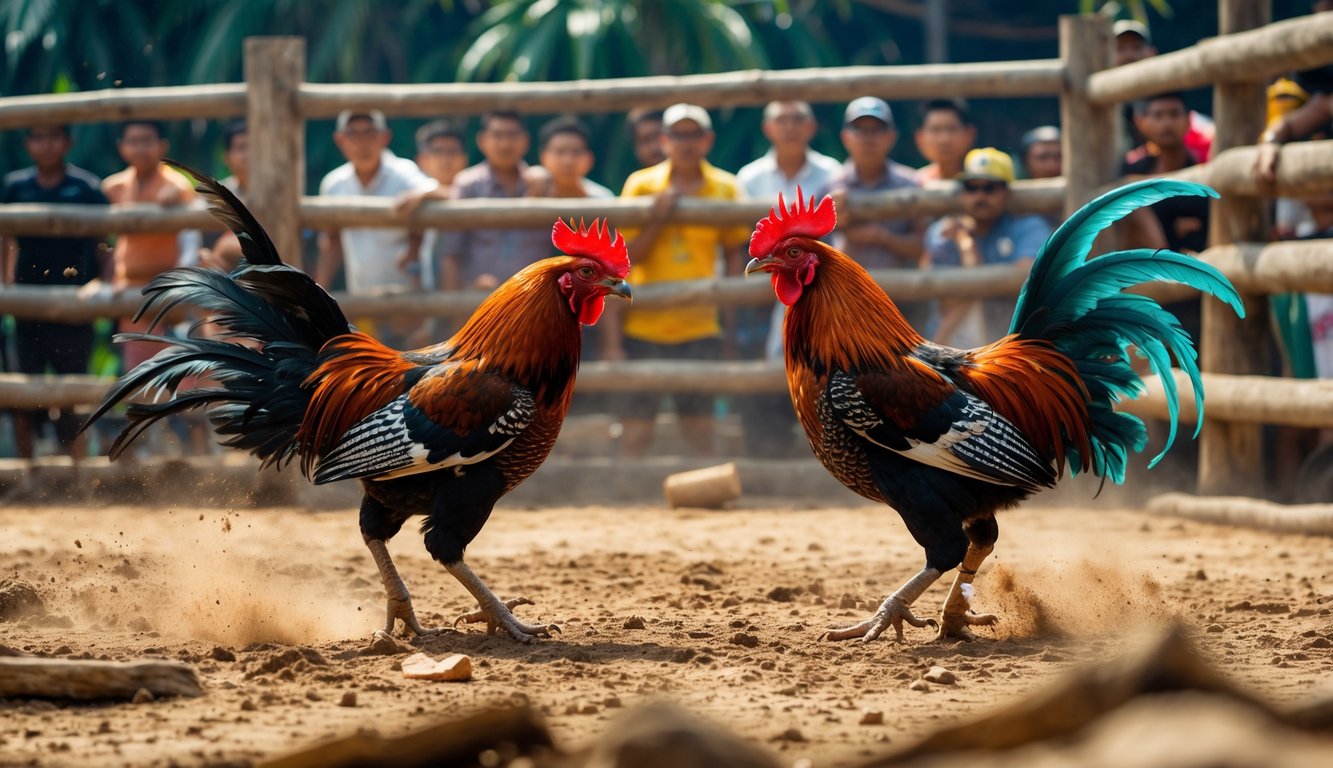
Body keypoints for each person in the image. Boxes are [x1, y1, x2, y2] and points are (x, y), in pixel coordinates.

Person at [604, 103, 749, 458]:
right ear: (664, 140)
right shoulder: (640, 184)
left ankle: (705, 508)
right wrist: (658, 219)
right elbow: (622, 260)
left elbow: (735, 261)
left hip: (701, 327)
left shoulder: (726, 187)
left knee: (700, 431)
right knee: (635, 433)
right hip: (642, 325)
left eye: (693, 134)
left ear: (708, 140)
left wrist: (729, 334)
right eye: (678, 135)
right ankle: (624, 502)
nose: (686, 142)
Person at [734, 100, 840, 457]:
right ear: (768, 129)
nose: (790, 127)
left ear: (811, 128)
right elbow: (739, 240)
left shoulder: (831, 172)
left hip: (814, 285)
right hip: (766, 288)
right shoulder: (748, 177)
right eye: (782, 120)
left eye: (798, 120)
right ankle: (769, 453)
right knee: (763, 376)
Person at [0, 125, 107, 463]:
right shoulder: (16, 185)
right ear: (28, 143)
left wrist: (105, 281)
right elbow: (5, 236)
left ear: (68, 142)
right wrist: (5, 284)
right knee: (24, 390)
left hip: (76, 302)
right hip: (26, 302)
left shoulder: (87, 186)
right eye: (38, 136)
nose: (46, 144)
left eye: (53, 136)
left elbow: (104, 240)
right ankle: (27, 472)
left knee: (72, 389)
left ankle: (80, 474)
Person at [317, 110, 437, 346]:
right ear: (341, 140)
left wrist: (420, 194)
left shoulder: (404, 173)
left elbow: (440, 190)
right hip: (362, 300)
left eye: (369, 134)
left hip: (408, 301)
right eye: (354, 134)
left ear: (384, 137)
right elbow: (331, 243)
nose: (362, 143)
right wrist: (318, 293)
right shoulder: (334, 184)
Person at [925, 148, 1052, 348]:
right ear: (961, 193)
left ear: (1007, 193)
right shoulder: (941, 232)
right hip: (954, 342)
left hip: (1010, 342)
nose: (980, 196)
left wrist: (965, 242)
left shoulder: (1029, 227)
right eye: (971, 187)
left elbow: (1026, 281)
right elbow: (945, 302)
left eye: (990, 188)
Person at [820, 96, 928, 328]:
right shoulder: (829, 187)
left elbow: (923, 247)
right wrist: (837, 224)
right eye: (860, 129)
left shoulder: (910, 184)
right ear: (845, 137)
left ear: (891, 137)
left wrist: (882, 237)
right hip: (842, 304)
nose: (868, 138)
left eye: (877, 130)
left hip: (899, 304)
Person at [102, 120, 197, 373]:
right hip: (127, 289)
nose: (140, 148)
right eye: (133, 141)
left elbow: (189, 240)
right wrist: (107, 279)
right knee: (138, 369)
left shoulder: (177, 187)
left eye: (147, 141)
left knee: (167, 369)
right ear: (122, 147)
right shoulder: (114, 187)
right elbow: (111, 241)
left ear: (162, 146)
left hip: (164, 289)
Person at [435, 111, 550, 293]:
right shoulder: (467, 184)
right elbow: (451, 253)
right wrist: (455, 310)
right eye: (497, 135)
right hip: (480, 300)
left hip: (535, 301)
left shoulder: (546, 184)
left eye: (512, 135)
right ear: (482, 141)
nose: (505, 144)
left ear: (525, 141)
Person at [1113, 20, 1214, 161]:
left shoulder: (1169, 97)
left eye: (1137, 47)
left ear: (1152, 53)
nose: (1129, 55)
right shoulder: (1102, 108)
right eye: (1120, 48)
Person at [524, 115, 615, 199]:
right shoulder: (525, 189)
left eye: (576, 152)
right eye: (560, 151)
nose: (568, 161)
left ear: (589, 159)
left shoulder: (603, 199)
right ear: (543, 156)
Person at [395, 118, 469, 217]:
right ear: (422, 160)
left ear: (464, 159)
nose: (445, 159)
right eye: (437, 152)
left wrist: (427, 194)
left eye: (453, 151)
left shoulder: (475, 186)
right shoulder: (411, 185)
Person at [206, 119, 249, 271]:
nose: (249, 155)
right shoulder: (218, 193)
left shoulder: (279, 192)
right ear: (226, 157)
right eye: (242, 148)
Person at [913, 98, 977, 185]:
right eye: (935, 130)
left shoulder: (985, 185)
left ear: (970, 134)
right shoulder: (915, 183)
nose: (944, 140)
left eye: (952, 129)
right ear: (920, 138)